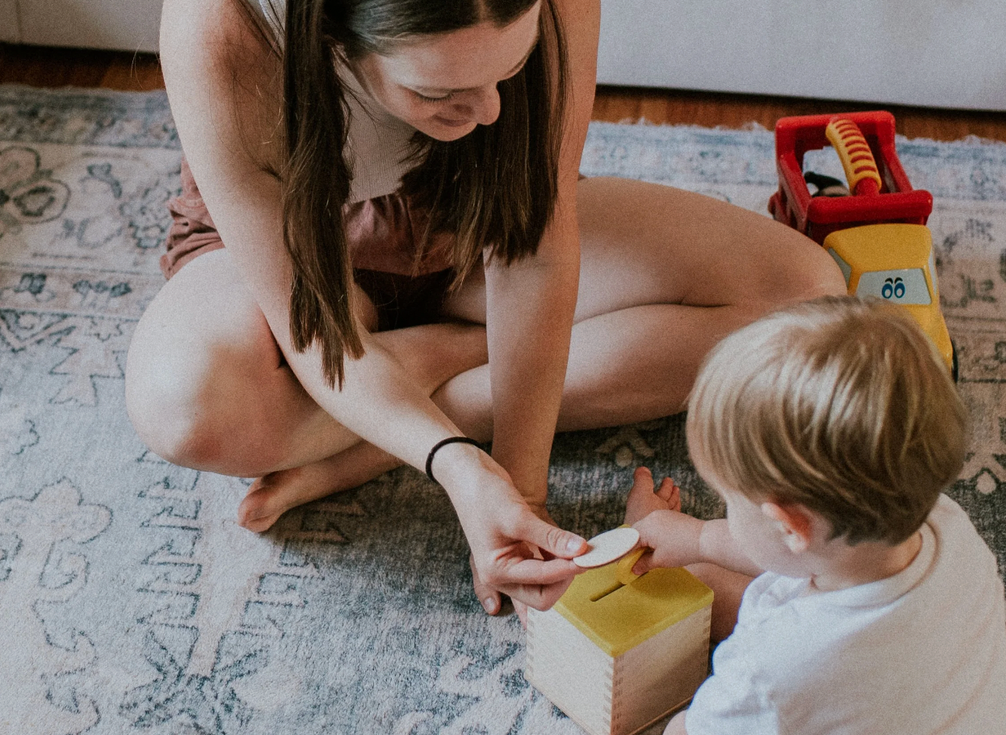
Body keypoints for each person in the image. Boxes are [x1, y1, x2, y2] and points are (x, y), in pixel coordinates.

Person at [124, 0, 845, 617]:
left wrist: (517, 485)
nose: (493, 110)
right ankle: (443, 363)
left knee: (806, 298)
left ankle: (410, 411)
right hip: (298, 240)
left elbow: (534, 243)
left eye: (508, 71)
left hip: (472, 220)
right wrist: (458, 470)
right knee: (187, 407)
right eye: (444, 91)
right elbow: (315, 333)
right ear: (337, 36)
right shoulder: (222, 28)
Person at [625, 296, 1006, 734]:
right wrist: (698, 538)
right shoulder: (949, 527)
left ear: (789, 525)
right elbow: (788, 556)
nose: (726, 510)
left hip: (809, 678)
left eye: (730, 501)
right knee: (701, 581)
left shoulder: (767, 673)